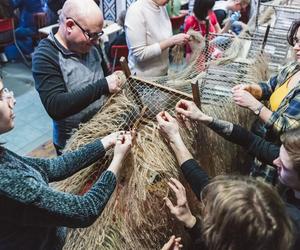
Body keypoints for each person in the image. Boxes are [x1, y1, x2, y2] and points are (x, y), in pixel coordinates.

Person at [0, 76, 133, 249]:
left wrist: (105, 142)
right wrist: (117, 160)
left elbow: (52, 167)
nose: (12, 100)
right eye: (1, 96)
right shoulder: (9, 182)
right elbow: (85, 210)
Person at [156, 107, 296, 250]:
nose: (275, 161)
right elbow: (253, 142)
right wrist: (191, 222)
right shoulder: (277, 221)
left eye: (284, 164)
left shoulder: (294, 224)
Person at [32, 0, 126, 155]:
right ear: (69, 25)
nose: (96, 41)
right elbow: (56, 106)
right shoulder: (45, 56)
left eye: (98, 34)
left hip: (103, 132)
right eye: (91, 35)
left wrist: (113, 80)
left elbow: (105, 75)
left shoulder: (92, 44)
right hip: (74, 145)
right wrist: (103, 85)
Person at [232, 19, 300, 143]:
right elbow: (270, 87)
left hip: (280, 154)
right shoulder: (293, 68)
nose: (295, 47)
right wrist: (250, 89)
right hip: (265, 141)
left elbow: (286, 128)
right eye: (296, 41)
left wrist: (255, 105)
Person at [125, 0, 190, 77]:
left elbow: (164, 38)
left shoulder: (161, 7)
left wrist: (177, 41)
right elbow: (140, 54)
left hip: (163, 74)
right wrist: (172, 41)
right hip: (143, 79)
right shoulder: (136, 12)